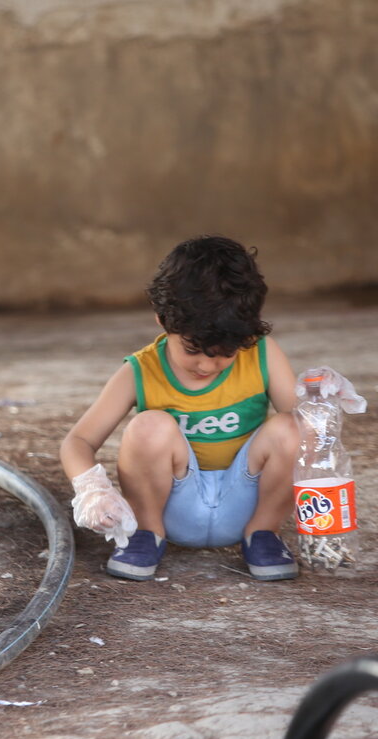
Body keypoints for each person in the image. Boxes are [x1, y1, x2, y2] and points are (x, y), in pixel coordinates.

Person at [61, 236, 306, 581]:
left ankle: (264, 534)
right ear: (163, 320)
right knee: (148, 426)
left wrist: (321, 399)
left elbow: (304, 431)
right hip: (171, 507)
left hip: (248, 502)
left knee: (295, 426)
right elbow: (78, 441)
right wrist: (90, 488)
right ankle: (147, 534)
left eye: (224, 352)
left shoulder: (263, 353)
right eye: (193, 349)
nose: (207, 365)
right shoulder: (141, 370)